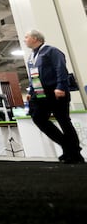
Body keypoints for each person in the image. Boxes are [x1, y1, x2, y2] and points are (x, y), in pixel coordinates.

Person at [24, 30, 84, 163]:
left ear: (35, 38)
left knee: (63, 121)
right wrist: (30, 91)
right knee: (38, 118)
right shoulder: (32, 56)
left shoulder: (51, 51)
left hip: (55, 91)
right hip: (39, 93)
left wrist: (61, 86)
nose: (24, 40)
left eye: (26, 37)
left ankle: (74, 154)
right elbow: (33, 75)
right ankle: (68, 147)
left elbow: (60, 68)